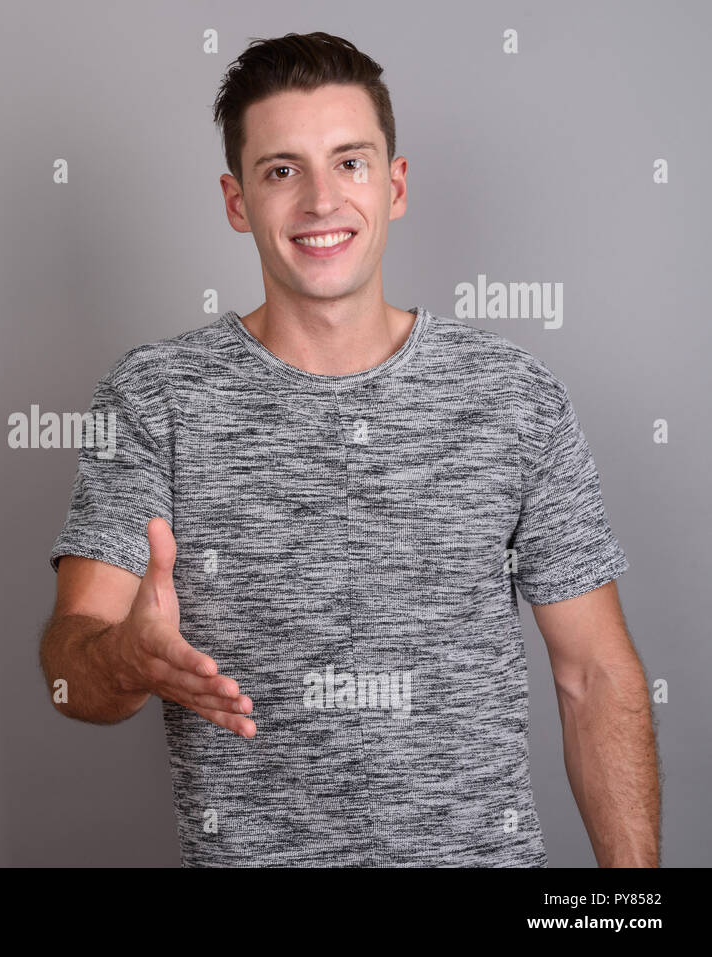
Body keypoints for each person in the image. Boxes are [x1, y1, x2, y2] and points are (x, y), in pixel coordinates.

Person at [39, 32, 659, 867]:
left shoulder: (514, 397)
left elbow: (596, 676)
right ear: (237, 200)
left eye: (351, 162)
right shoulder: (155, 397)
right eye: (283, 169)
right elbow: (71, 670)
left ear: (394, 184)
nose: (321, 201)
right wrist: (127, 656)